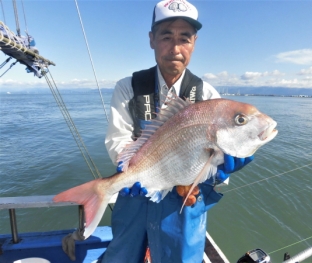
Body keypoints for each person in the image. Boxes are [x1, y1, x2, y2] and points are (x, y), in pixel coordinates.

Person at [103, 1, 253, 262]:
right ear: (151, 39)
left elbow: (216, 165)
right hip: (135, 194)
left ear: (194, 42)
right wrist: (126, 168)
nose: (175, 48)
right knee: (122, 256)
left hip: (184, 204)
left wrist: (220, 171)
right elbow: (118, 138)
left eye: (184, 38)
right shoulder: (128, 87)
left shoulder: (208, 97)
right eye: (166, 36)